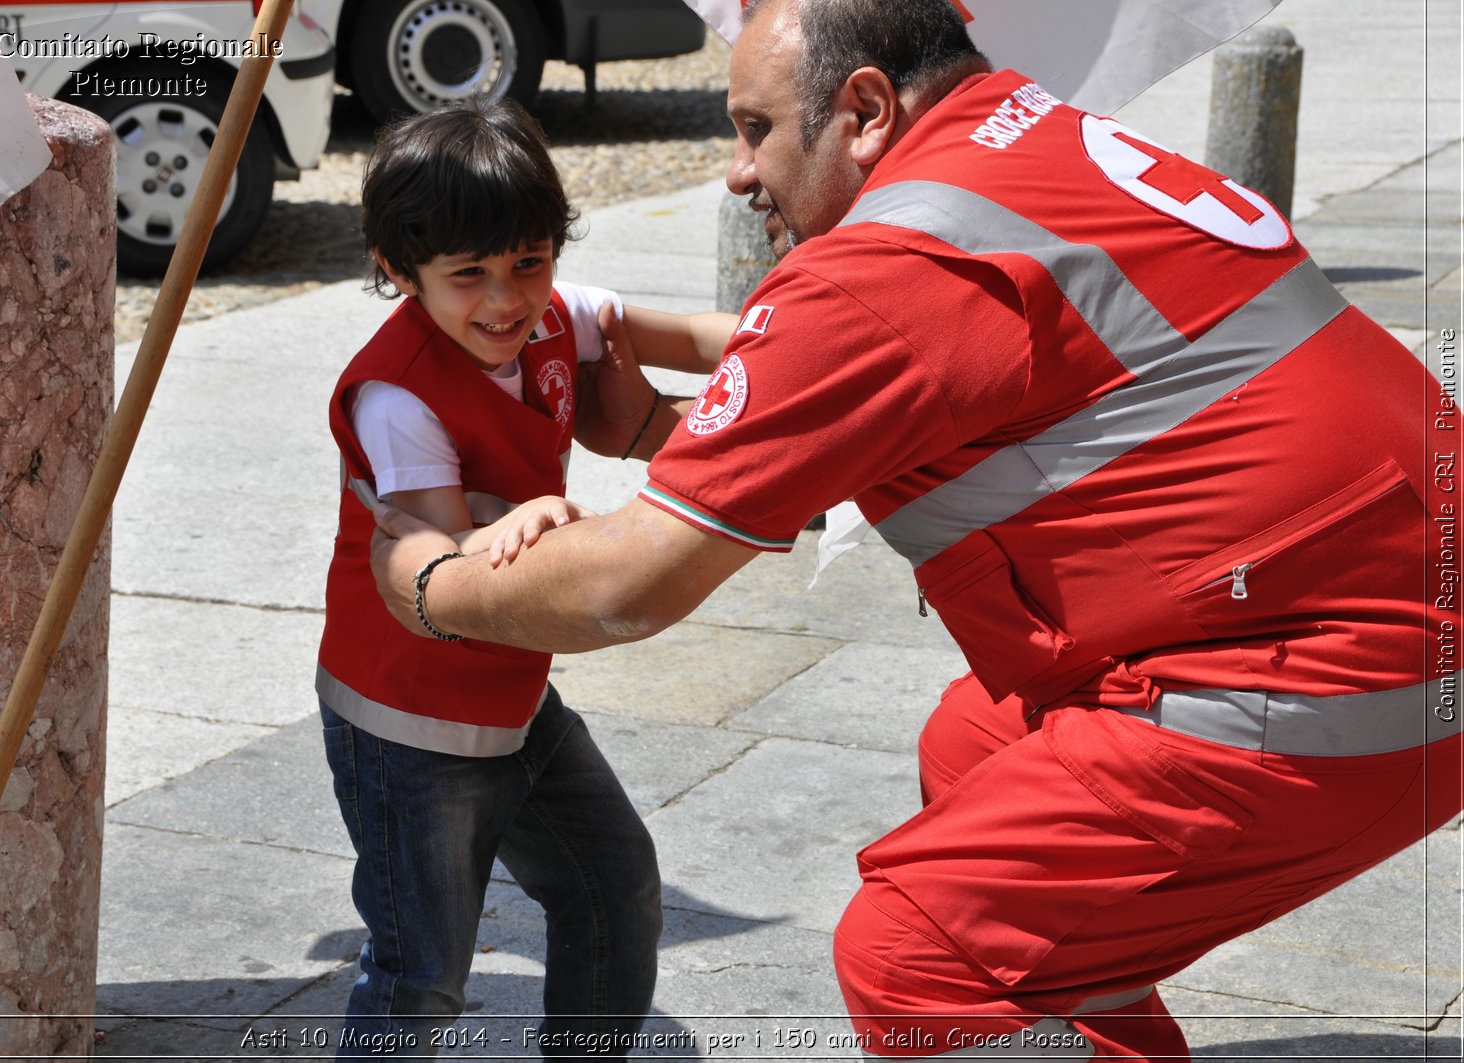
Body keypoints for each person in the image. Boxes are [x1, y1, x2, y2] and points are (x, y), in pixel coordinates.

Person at [367, 1, 1463, 1059]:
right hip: (1378, 577)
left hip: (1348, 668)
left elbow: (625, 586)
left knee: (915, 958)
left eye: (755, 129)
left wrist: (425, 578)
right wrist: (654, 397)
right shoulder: (1031, 138)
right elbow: (875, 379)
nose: (739, 169)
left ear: (865, 108)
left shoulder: (879, 273)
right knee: (976, 743)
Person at [317, 98, 729, 1058]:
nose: (506, 298)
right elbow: (437, 559)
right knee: (419, 971)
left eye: (529, 263)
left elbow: (706, 339)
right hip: (407, 718)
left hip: (511, 692)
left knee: (614, 885)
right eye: (469, 275)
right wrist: (520, 518)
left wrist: (806, 343)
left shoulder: (557, 315)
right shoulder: (396, 393)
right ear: (398, 273)